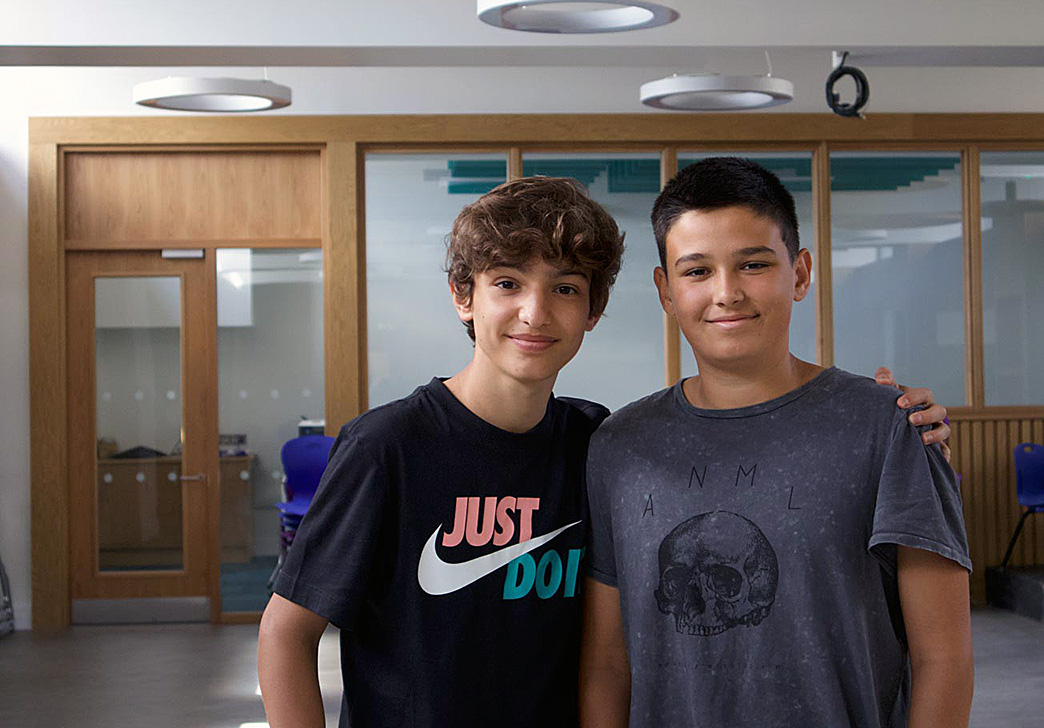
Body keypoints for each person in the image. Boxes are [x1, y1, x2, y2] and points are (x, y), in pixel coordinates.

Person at [257, 175, 953, 728]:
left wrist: (893, 426)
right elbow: (286, 634)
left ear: (593, 311)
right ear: (463, 296)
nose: (535, 312)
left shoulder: (597, 441)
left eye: (564, 288)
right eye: (507, 283)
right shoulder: (389, 446)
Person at [579, 158, 973, 728]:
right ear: (666, 290)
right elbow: (607, 665)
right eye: (697, 271)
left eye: (754, 264)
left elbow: (945, 660)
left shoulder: (891, 428)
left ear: (800, 273)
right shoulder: (619, 447)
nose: (727, 292)